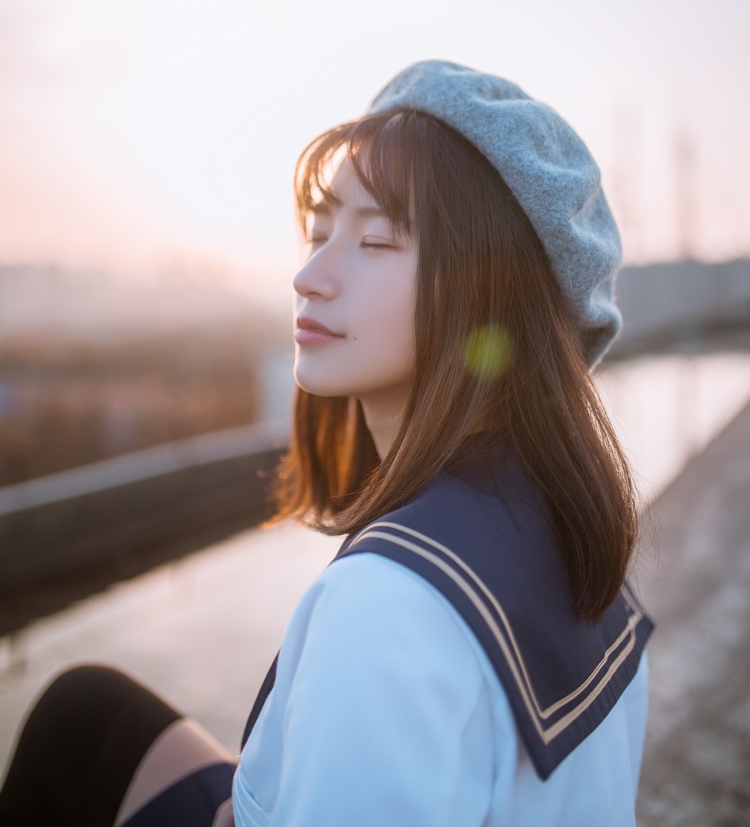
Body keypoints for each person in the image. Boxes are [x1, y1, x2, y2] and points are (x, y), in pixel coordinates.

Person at [0, 60, 653, 825]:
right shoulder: (563, 519)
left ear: (487, 297)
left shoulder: (387, 606)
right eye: (318, 231)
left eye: (374, 240)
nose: (309, 275)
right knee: (85, 714)